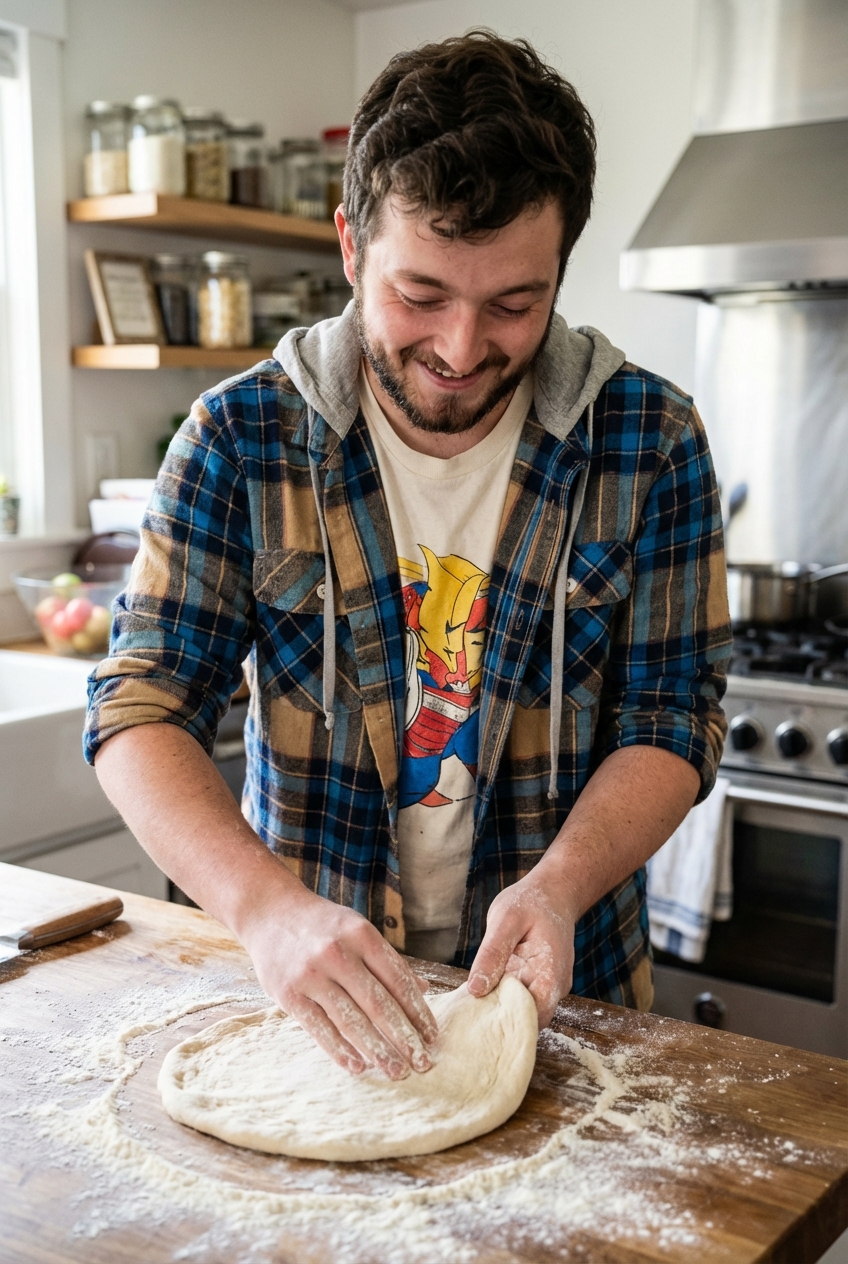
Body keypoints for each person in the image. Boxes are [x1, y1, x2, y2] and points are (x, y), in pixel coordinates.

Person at [86, 31, 732, 1082]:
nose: (461, 347)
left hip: (569, 1001)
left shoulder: (647, 440)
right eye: (420, 294)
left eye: (514, 303)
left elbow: (671, 716)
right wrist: (266, 911)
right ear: (350, 245)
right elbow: (139, 707)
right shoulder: (242, 438)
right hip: (309, 1008)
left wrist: (559, 884)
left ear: (561, 267)